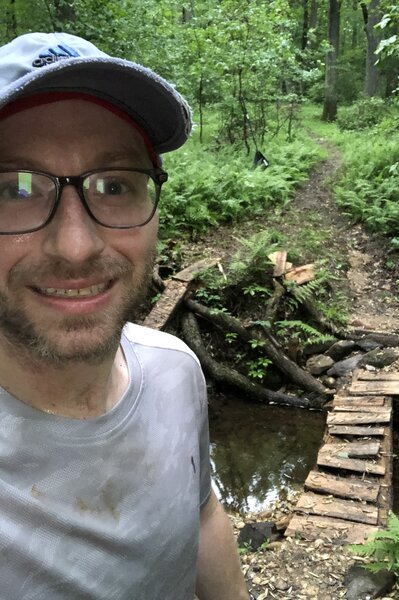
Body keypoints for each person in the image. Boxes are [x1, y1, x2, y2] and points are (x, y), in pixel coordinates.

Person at [0, 32, 250, 600]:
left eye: (114, 185)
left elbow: (203, 515)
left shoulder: (176, 371)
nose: (76, 246)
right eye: (15, 189)